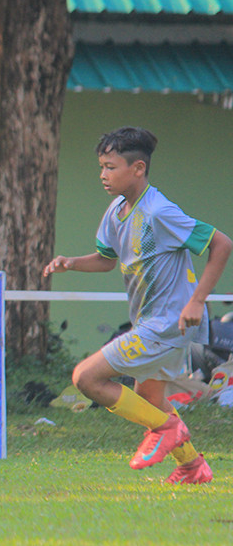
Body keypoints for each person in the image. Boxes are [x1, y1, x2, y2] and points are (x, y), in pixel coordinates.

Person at [43, 126, 231, 485]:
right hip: (153, 321)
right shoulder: (117, 210)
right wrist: (70, 262)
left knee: (86, 377)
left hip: (167, 323)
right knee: (148, 397)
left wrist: (196, 301)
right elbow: (105, 260)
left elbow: (222, 244)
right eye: (101, 166)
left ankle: (166, 429)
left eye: (111, 167)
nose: (103, 175)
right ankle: (194, 468)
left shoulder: (160, 211)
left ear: (138, 168)